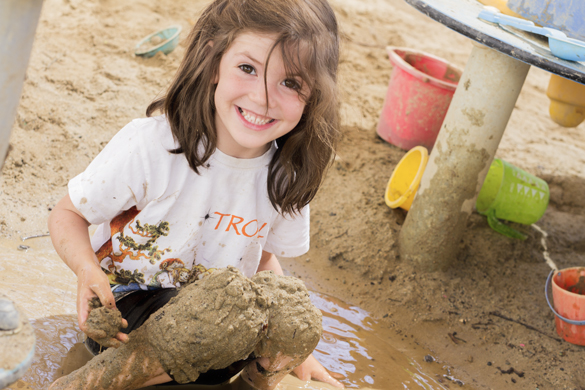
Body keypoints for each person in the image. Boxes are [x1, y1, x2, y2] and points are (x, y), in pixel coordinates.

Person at [47, 0, 343, 388]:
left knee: (290, 307)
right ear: (213, 60)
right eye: (248, 69)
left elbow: (262, 263)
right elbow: (67, 214)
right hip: (126, 315)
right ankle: (91, 382)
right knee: (220, 321)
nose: (263, 98)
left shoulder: (285, 177)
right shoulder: (153, 146)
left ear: (314, 94)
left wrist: (296, 344)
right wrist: (87, 273)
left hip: (218, 327)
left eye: (290, 82)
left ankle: (255, 382)